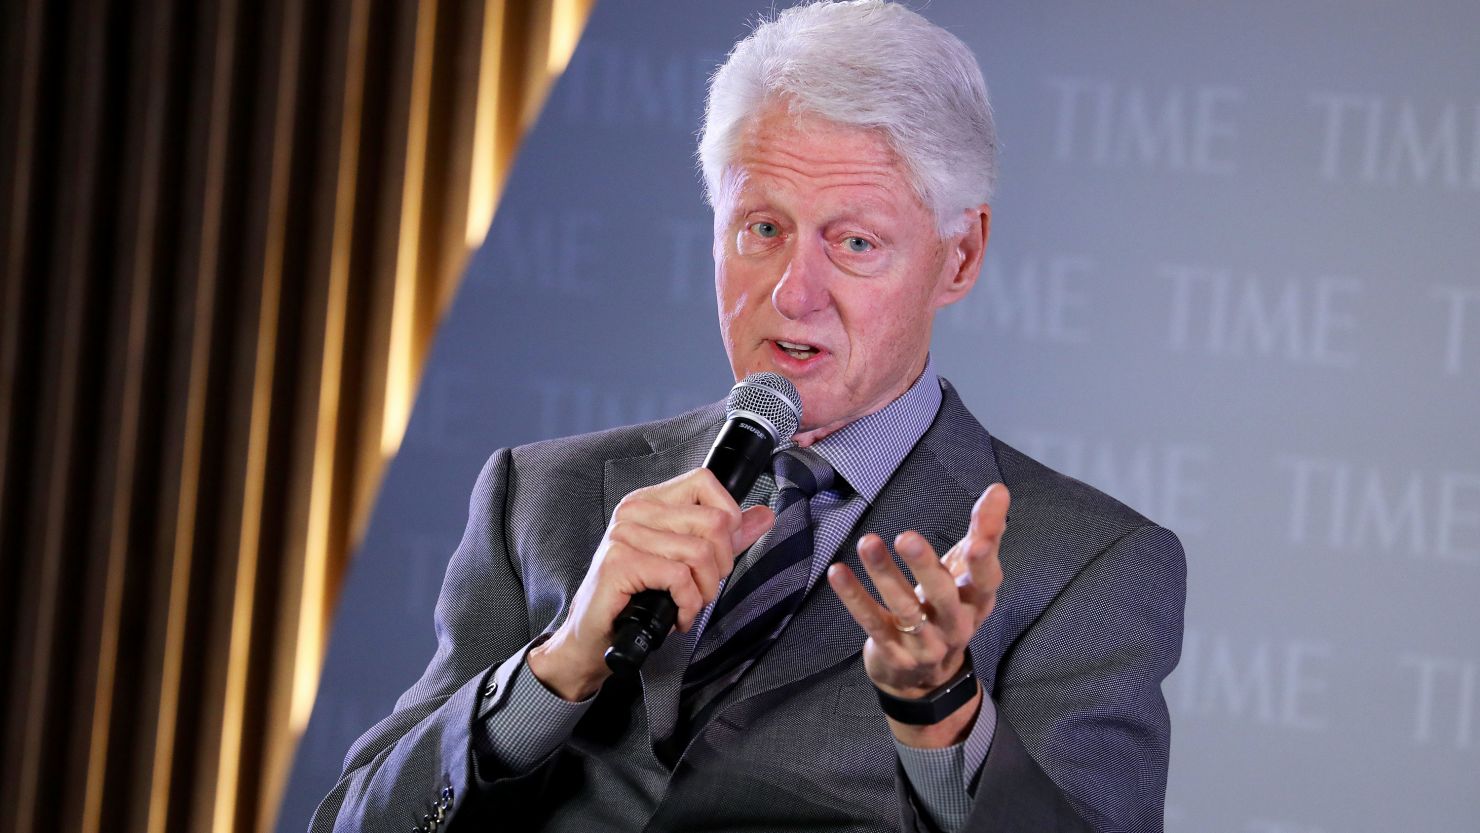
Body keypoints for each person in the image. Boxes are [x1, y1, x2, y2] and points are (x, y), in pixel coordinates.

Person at [309, 2, 1186, 831]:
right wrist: (556, 664)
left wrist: (942, 713)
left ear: (960, 257)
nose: (792, 293)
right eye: (761, 228)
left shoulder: (1086, 568)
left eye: (854, 243)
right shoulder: (540, 495)